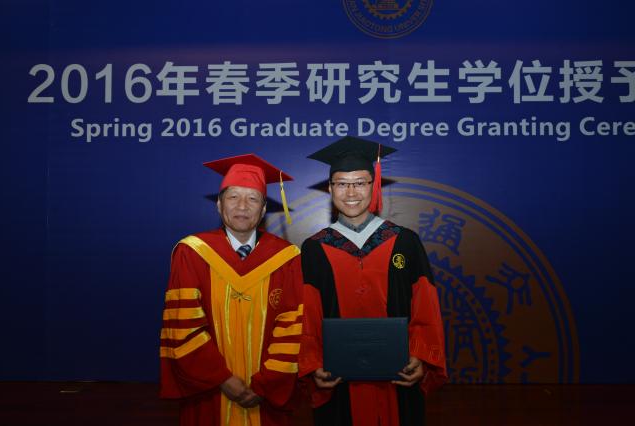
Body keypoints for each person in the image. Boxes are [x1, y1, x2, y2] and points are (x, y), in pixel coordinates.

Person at [299, 137, 447, 426]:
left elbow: (425, 306)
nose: (351, 192)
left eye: (360, 183)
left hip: (398, 376)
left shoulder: (405, 241)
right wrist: (312, 363)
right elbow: (307, 313)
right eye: (341, 184)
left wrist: (420, 356)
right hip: (338, 380)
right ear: (330, 188)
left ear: (374, 185)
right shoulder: (314, 248)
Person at [159, 154, 303, 426]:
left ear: (263, 209)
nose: (242, 206)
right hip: (209, 391)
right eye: (233, 197)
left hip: (265, 395)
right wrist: (222, 378)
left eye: (253, 199)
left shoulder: (286, 257)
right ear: (219, 204)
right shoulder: (192, 252)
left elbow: (292, 326)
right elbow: (183, 325)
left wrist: (265, 384)